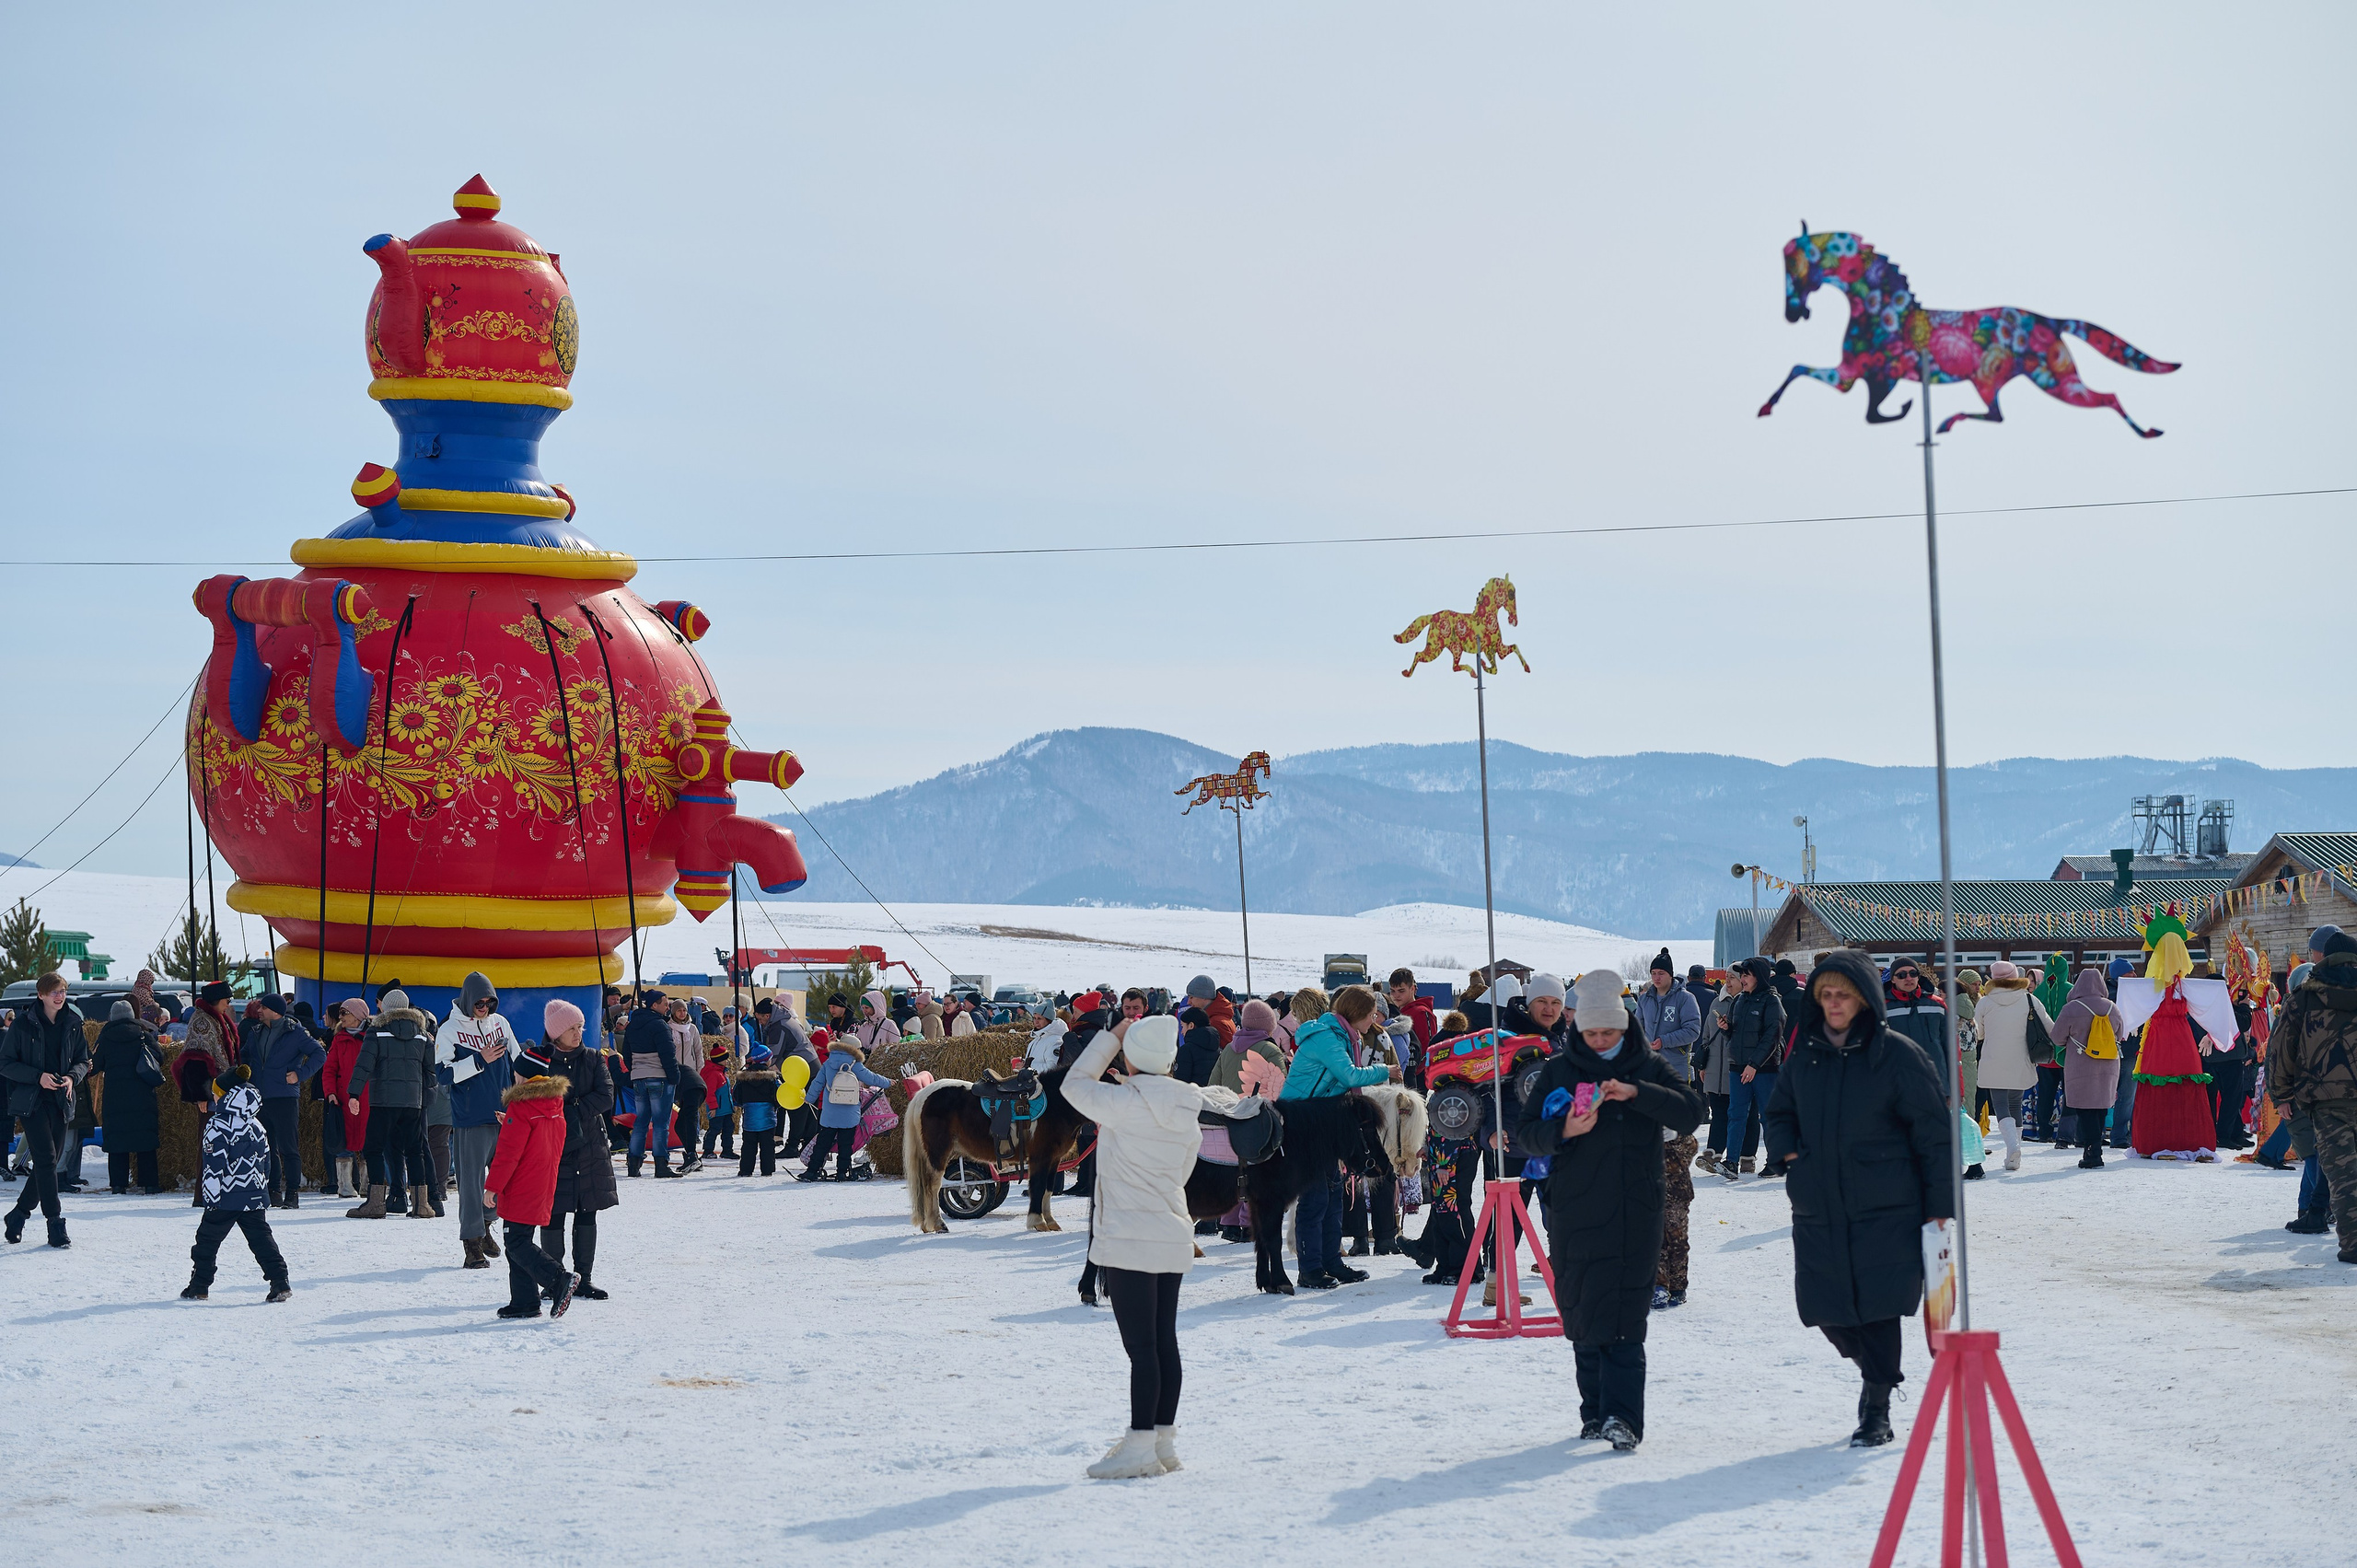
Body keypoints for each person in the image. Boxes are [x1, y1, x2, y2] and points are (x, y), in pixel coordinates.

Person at [1763, 950, 1955, 1447]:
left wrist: (1940, 1205)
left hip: (1888, 1205)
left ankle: (1876, 1406)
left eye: (1843, 994)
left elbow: (1934, 1134)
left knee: (1878, 1307)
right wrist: (1788, 1157)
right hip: (1818, 1202)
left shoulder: (1897, 1056)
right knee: (1827, 1309)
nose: (1833, 1003)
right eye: (1825, 994)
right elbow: (1779, 1112)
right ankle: (1877, 1372)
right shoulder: (1804, 1055)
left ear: (1865, 999)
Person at [1515, 970, 1703, 1452]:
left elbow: (1690, 1111)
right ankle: (1594, 1412)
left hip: (1634, 1211)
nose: (1600, 1042)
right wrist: (1566, 1131)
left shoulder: (1648, 1065)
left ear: (1625, 1029)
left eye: (1610, 1033)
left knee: (1623, 1315)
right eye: (1592, 1033)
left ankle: (1624, 1418)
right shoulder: (1558, 1070)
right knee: (1581, 1312)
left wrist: (1640, 1094)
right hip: (1573, 1210)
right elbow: (1525, 1133)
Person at [1059, 1014, 1210, 1479]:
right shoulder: (1186, 1105)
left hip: (1127, 1240)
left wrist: (1111, 1036)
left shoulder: (1121, 1103)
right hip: (1169, 1233)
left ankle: (1140, 1447)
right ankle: (1162, 1444)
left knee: (1141, 1349)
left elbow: (1073, 1084)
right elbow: (1184, 1171)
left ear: (1130, 1057)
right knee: (1164, 1342)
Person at [1279, 984, 1399, 1289]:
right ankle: (1309, 1269)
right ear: (1357, 1013)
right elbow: (1351, 1076)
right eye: (1371, 1014)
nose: (1374, 1021)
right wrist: (1387, 1070)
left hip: (1322, 1122)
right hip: (1302, 1123)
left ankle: (1330, 1262)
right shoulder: (1327, 1038)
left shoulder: (1343, 1036)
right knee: (1315, 1198)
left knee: (1333, 1197)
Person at [515, 1000, 617, 1298]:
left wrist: (573, 1108)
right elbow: (528, 1096)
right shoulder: (541, 1062)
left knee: (587, 1213)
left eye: (580, 1027)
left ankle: (583, 1278)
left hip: (589, 1146)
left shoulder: (593, 1058)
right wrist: (559, 1112)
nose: (578, 1032)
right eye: (571, 1028)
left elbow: (606, 1095)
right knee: (553, 1213)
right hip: (552, 1148)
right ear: (556, 1032)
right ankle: (555, 1278)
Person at [2267, 928, 2357, 1262]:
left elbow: (2281, 1049)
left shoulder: (2304, 996)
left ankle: (2353, 1244)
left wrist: (2282, 1095)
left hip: (2325, 1099)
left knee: (2343, 1175)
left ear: (2323, 957)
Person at [179, 1065, 291, 1302]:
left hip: (225, 1197)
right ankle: (280, 1281)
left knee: (207, 1242)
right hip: (253, 1196)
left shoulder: (217, 1126)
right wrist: (264, 1191)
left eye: (217, 1094)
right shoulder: (257, 1125)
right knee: (262, 1240)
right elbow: (267, 1162)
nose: (214, 1097)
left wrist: (210, 1197)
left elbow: (213, 1165)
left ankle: (199, 1286)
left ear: (227, 1097)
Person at [483, 1065, 579, 1319]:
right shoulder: (553, 1104)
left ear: (522, 1075)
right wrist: (511, 1124)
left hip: (521, 1184)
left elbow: (507, 1155)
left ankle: (558, 1279)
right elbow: (539, 1138)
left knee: (516, 1241)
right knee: (519, 1240)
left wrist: (492, 1187)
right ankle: (525, 1301)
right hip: (542, 1181)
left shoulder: (521, 1106)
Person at [2, 973, 87, 1249]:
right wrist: (37, 1076)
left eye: (62, 991)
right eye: (53, 992)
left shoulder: (73, 1023)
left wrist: (73, 1076)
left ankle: (17, 1215)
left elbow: (83, 1060)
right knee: (48, 1160)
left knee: (47, 1164)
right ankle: (55, 1224)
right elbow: (5, 1063)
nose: (59, 996)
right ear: (41, 995)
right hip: (31, 1101)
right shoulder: (23, 1024)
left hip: (61, 1101)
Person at [438, 972, 517, 1269]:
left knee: (503, 1180)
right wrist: (478, 1059)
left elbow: (516, 1061)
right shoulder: (449, 1030)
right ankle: (471, 1243)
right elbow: (442, 1075)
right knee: (471, 1185)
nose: (483, 1007)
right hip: (470, 1117)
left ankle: (485, 1226)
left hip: (504, 1116)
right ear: (468, 1000)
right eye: (479, 1002)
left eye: (489, 1002)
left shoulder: (501, 1023)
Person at [345, 989, 438, 1220]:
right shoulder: (423, 1035)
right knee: (415, 1151)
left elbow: (363, 1065)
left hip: (383, 1101)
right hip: (413, 1103)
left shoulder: (376, 1032)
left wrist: (354, 1093)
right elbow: (430, 1073)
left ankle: (375, 1203)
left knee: (374, 1148)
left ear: (385, 1008)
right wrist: (426, 1100)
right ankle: (421, 1205)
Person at [239, 993, 325, 1209]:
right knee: (266, 1147)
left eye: (263, 1008)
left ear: (275, 1012)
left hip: (285, 1097)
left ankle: (293, 1193)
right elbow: (245, 1057)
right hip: (260, 1097)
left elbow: (319, 1054)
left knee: (288, 1147)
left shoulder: (296, 1033)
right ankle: (273, 1190)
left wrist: (300, 1074)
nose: (258, 1011)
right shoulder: (255, 1032)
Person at [2049, 967, 2126, 1169]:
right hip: (2109, 1063)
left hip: (2081, 1064)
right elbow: (2120, 1034)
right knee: (2101, 1106)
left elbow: (2056, 1037)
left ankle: (2093, 1152)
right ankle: (2094, 1147)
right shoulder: (2112, 1007)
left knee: (2084, 1108)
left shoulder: (2071, 1008)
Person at [1973, 961, 2045, 1173]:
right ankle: (2014, 1155)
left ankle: (2012, 1148)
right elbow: (2048, 1026)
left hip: (1993, 1059)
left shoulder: (1985, 1003)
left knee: (2000, 1104)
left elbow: (1979, 1033)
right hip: (2021, 1059)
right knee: (2015, 1103)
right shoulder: (2029, 999)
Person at [1718, 958, 1786, 1181]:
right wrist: (1727, 1029)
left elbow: (1772, 1037)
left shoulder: (1772, 1001)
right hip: (1738, 1067)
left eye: (1747, 975)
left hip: (1764, 1068)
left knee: (1768, 1116)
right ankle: (1731, 1162)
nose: (1743, 979)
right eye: (1742, 975)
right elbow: (1737, 1034)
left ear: (1759, 976)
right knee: (1736, 1115)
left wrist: (1754, 1064)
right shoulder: (1739, 1000)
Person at [93, 1000, 166, 1194]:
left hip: (115, 1098)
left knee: (117, 1141)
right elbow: (160, 1057)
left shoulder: (105, 1037)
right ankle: (150, 1184)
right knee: (146, 1140)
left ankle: (118, 1185)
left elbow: (95, 1065)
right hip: (142, 1095)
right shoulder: (143, 1034)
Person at [801, 1038, 890, 1181]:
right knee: (845, 1145)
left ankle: (812, 1171)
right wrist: (888, 1082)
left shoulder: (829, 1063)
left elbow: (817, 1082)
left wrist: (809, 1098)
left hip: (830, 1112)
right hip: (849, 1113)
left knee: (822, 1144)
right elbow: (871, 1078)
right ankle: (842, 1172)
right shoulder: (855, 1064)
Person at [622, 990, 680, 1178]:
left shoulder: (632, 1025)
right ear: (654, 1005)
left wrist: (636, 1071)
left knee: (641, 1121)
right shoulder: (659, 1025)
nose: (667, 1006)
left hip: (639, 1077)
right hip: (659, 1078)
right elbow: (667, 1055)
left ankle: (633, 1163)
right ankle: (661, 1165)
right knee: (660, 1123)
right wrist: (675, 1077)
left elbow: (627, 1053)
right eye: (664, 1003)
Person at [321, 1000, 371, 1199]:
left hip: (368, 1098)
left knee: (370, 1141)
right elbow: (329, 1069)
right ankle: (345, 1186)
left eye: (345, 1013)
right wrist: (330, 1093)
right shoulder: (338, 1039)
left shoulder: (372, 1037)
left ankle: (369, 1185)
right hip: (342, 1099)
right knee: (343, 1141)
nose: (340, 1017)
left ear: (358, 1016)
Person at [735, 1046, 783, 1176]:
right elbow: (780, 1097)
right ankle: (767, 1170)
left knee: (748, 1146)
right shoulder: (773, 1079)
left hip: (749, 1119)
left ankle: (745, 1170)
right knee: (767, 1146)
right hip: (767, 1118)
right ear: (766, 1060)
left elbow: (736, 1098)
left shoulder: (742, 1078)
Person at [1387, 969, 1434, 1086]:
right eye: (1393, 991)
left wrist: (1414, 1071)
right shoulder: (1394, 1011)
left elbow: (1428, 1045)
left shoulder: (1422, 1012)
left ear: (1412, 989)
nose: (1396, 995)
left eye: (1401, 991)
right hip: (1400, 1073)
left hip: (1417, 1077)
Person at [702, 1041, 737, 1160]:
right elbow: (710, 1093)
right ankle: (707, 1150)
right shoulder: (713, 1074)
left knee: (728, 1129)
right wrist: (713, 1107)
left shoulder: (721, 1072)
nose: (727, 1061)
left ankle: (727, 1150)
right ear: (719, 1060)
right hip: (717, 1109)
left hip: (726, 1109)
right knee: (714, 1129)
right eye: (725, 1059)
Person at [1172, 1006, 1220, 1087]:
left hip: (1193, 1097)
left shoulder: (1186, 1050)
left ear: (1191, 1025)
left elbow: (1181, 1082)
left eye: (1182, 1026)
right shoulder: (1217, 1048)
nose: (1182, 1031)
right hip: (1214, 1096)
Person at [1182, 974, 1235, 1046]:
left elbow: (1227, 1054)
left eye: (1191, 997)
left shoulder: (1216, 1022)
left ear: (1204, 996)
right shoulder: (1217, 1016)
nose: (1188, 1002)